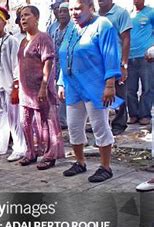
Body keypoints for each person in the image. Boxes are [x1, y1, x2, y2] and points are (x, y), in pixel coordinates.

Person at [58, 0, 120, 182]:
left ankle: (105, 167)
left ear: (90, 7)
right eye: (71, 10)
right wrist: (61, 82)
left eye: (78, 8)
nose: (74, 13)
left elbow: (111, 56)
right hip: (73, 86)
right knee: (74, 126)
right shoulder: (71, 28)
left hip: (96, 87)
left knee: (100, 126)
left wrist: (110, 85)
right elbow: (66, 55)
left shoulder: (103, 25)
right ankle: (80, 162)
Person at [17, 5, 65, 170]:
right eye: (21, 16)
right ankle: (31, 152)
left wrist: (44, 86)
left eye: (27, 15)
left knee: (46, 123)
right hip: (25, 92)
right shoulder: (23, 41)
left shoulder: (43, 38)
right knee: (25, 123)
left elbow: (49, 63)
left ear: (36, 18)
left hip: (40, 89)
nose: (23, 19)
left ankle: (50, 155)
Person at [0, 7, 26, 161]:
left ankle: (19, 149)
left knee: (14, 119)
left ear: (4, 22)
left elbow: (16, 65)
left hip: (9, 86)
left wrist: (16, 86)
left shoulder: (12, 41)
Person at [98, 0, 132, 136]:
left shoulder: (120, 13)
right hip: (99, 63)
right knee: (100, 94)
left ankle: (119, 123)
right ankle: (103, 123)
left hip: (116, 62)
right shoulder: (94, 14)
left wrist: (124, 64)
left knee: (120, 93)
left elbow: (126, 39)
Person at [126, 0, 153, 126]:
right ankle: (133, 114)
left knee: (147, 87)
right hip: (129, 57)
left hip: (146, 57)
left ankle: (145, 114)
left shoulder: (151, 12)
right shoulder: (128, 14)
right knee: (129, 89)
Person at [48, 2, 72, 129]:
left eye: (65, 11)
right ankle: (60, 120)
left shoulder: (73, 28)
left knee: (67, 93)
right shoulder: (53, 28)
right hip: (55, 66)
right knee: (57, 92)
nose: (61, 14)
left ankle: (66, 121)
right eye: (60, 11)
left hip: (69, 66)